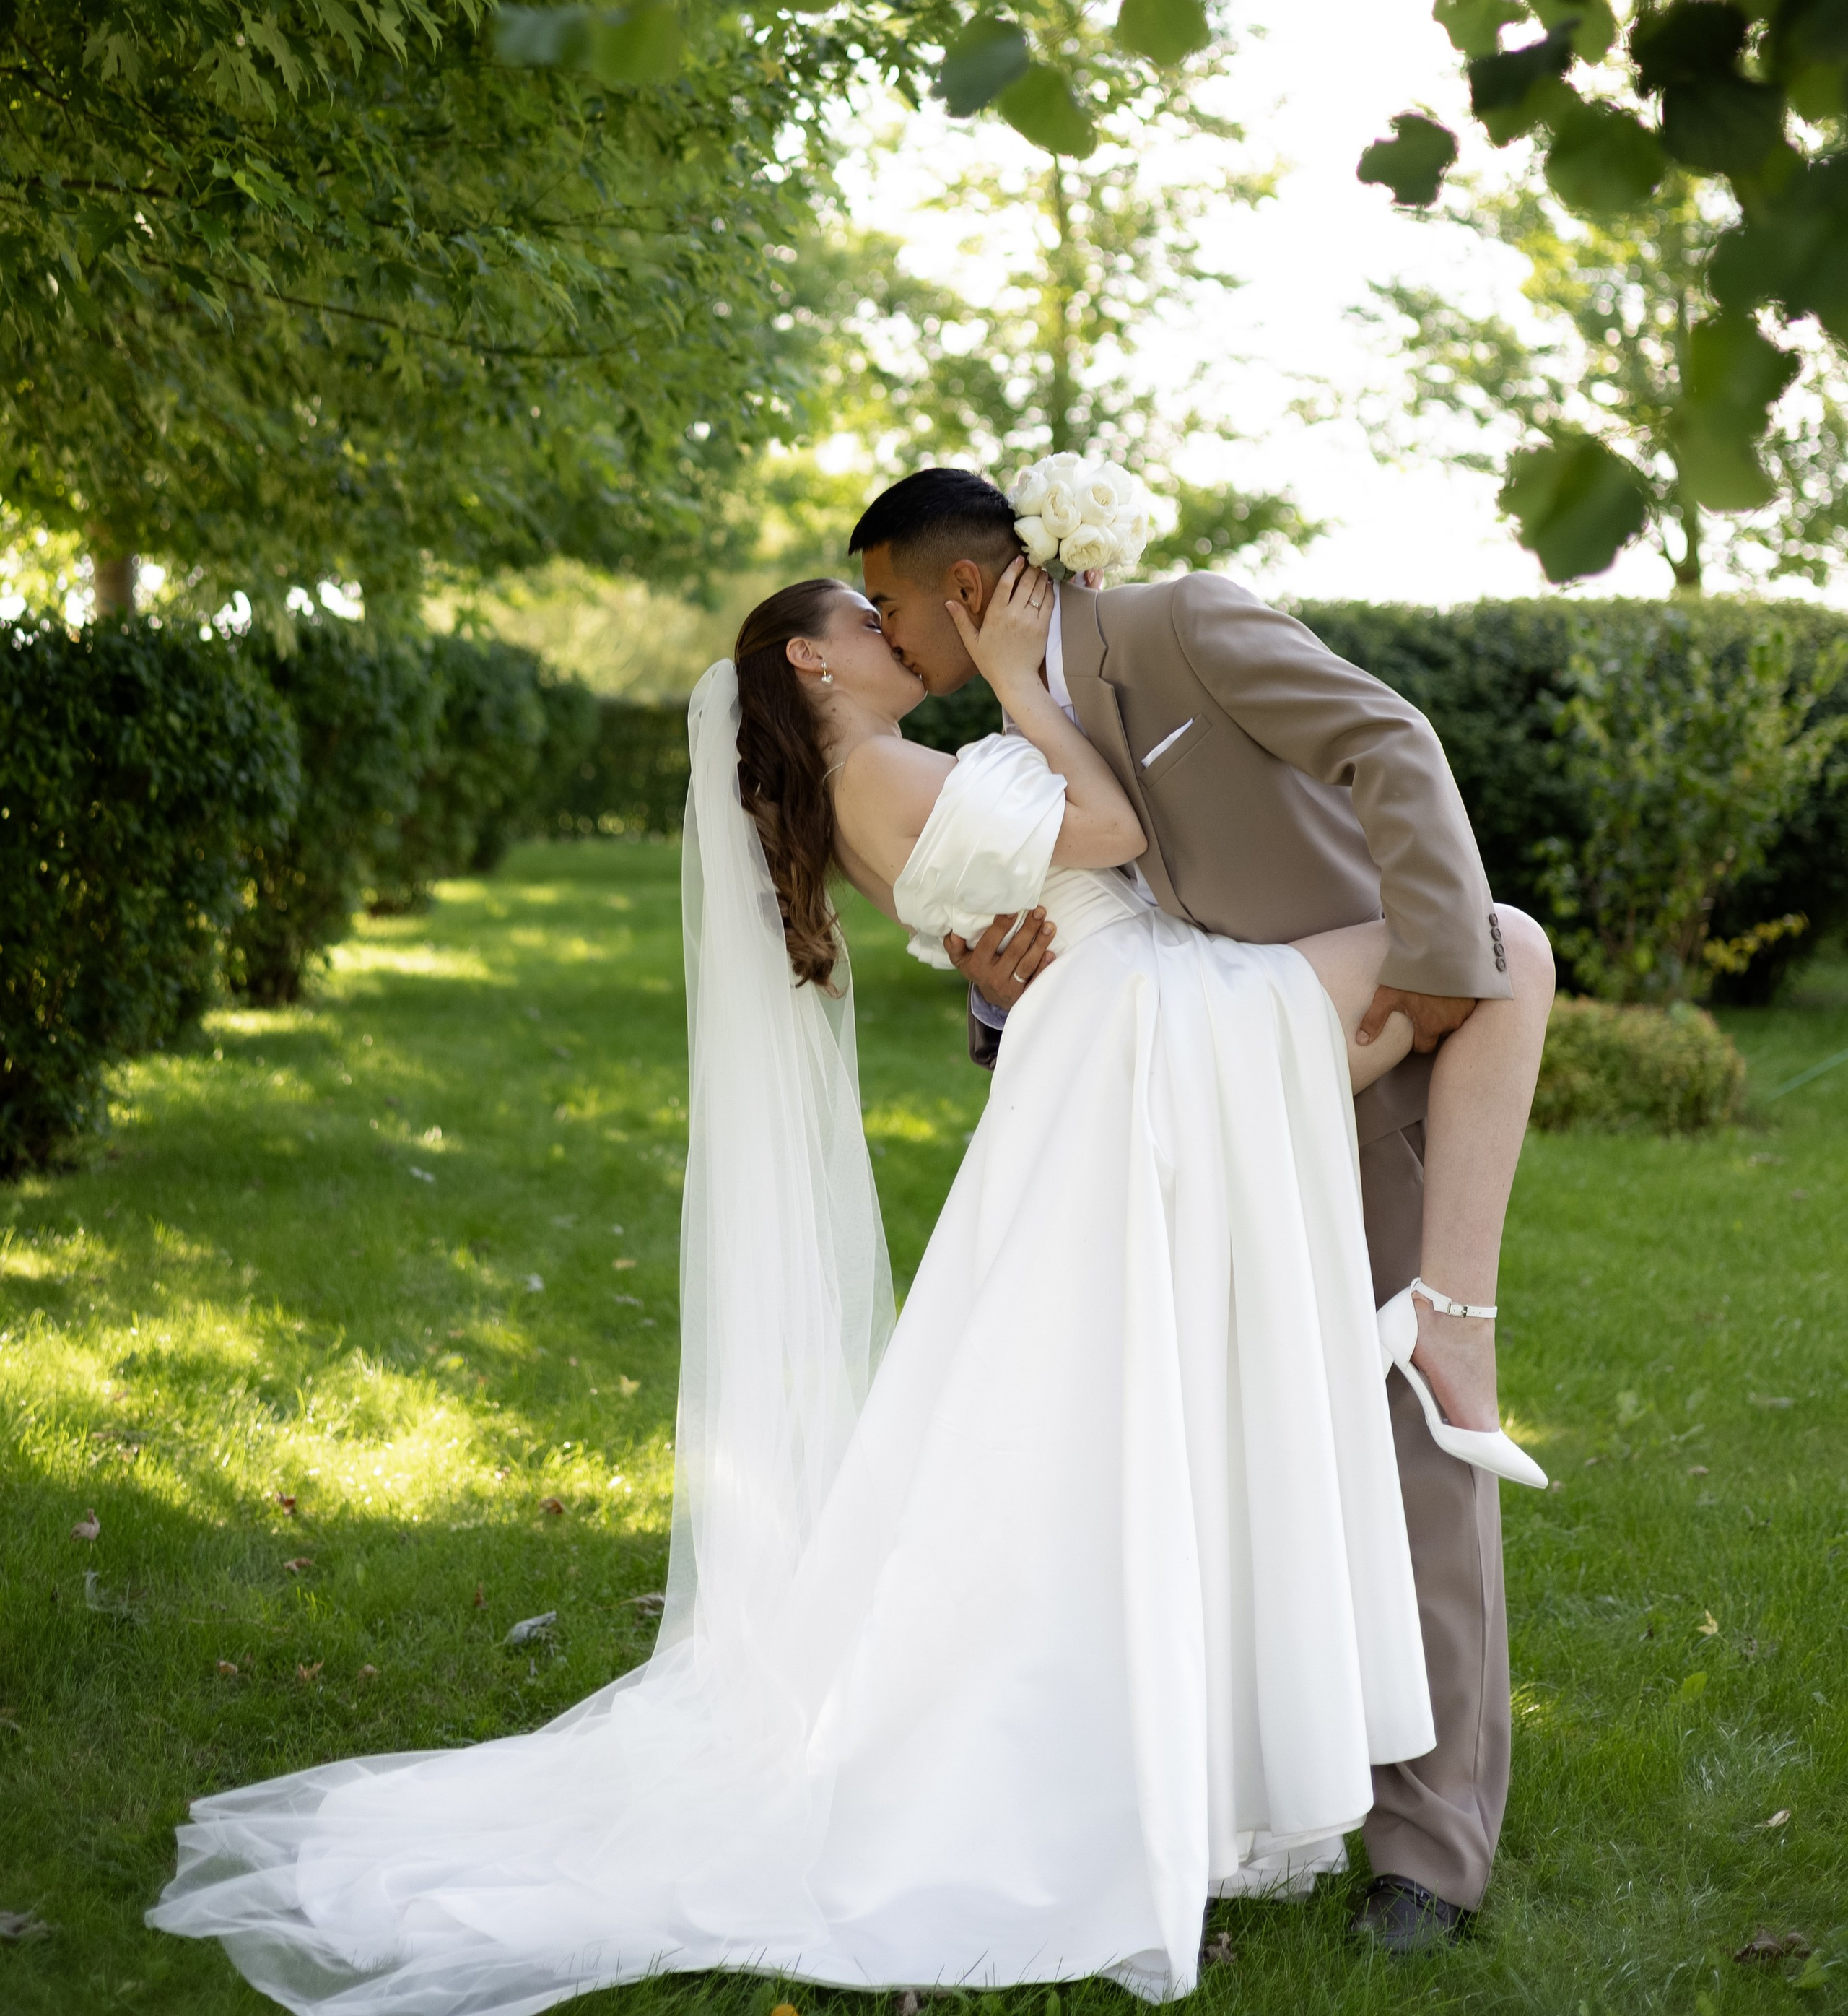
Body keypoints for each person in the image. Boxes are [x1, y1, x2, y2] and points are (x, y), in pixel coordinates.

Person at [149, 554, 1468, 2013]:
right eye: (864, 617)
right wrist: (1022, 682)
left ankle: (1186, 1709)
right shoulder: (884, 769)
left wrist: (992, 955)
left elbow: (1007, 913)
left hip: (1102, 1043)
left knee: (1087, 1410)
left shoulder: (863, 789)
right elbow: (1105, 829)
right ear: (811, 662)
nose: (894, 630)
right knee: (1486, 966)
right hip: (1129, 1034)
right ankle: (1442, 1329)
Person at [849, 466, 1555, 1955]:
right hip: (1197, 1121)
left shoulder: (1182, 625)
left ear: (962, 587)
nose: (883, 631)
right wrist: (997, 997)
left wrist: (1436, 964)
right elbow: (1084, 927)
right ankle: (1257, 1776)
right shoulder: (1006, 740)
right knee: (1243, 1455)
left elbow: (1388, 740)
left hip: (1359, 1072)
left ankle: (1429, 1849)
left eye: (888, 600)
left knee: (1413, 1445)